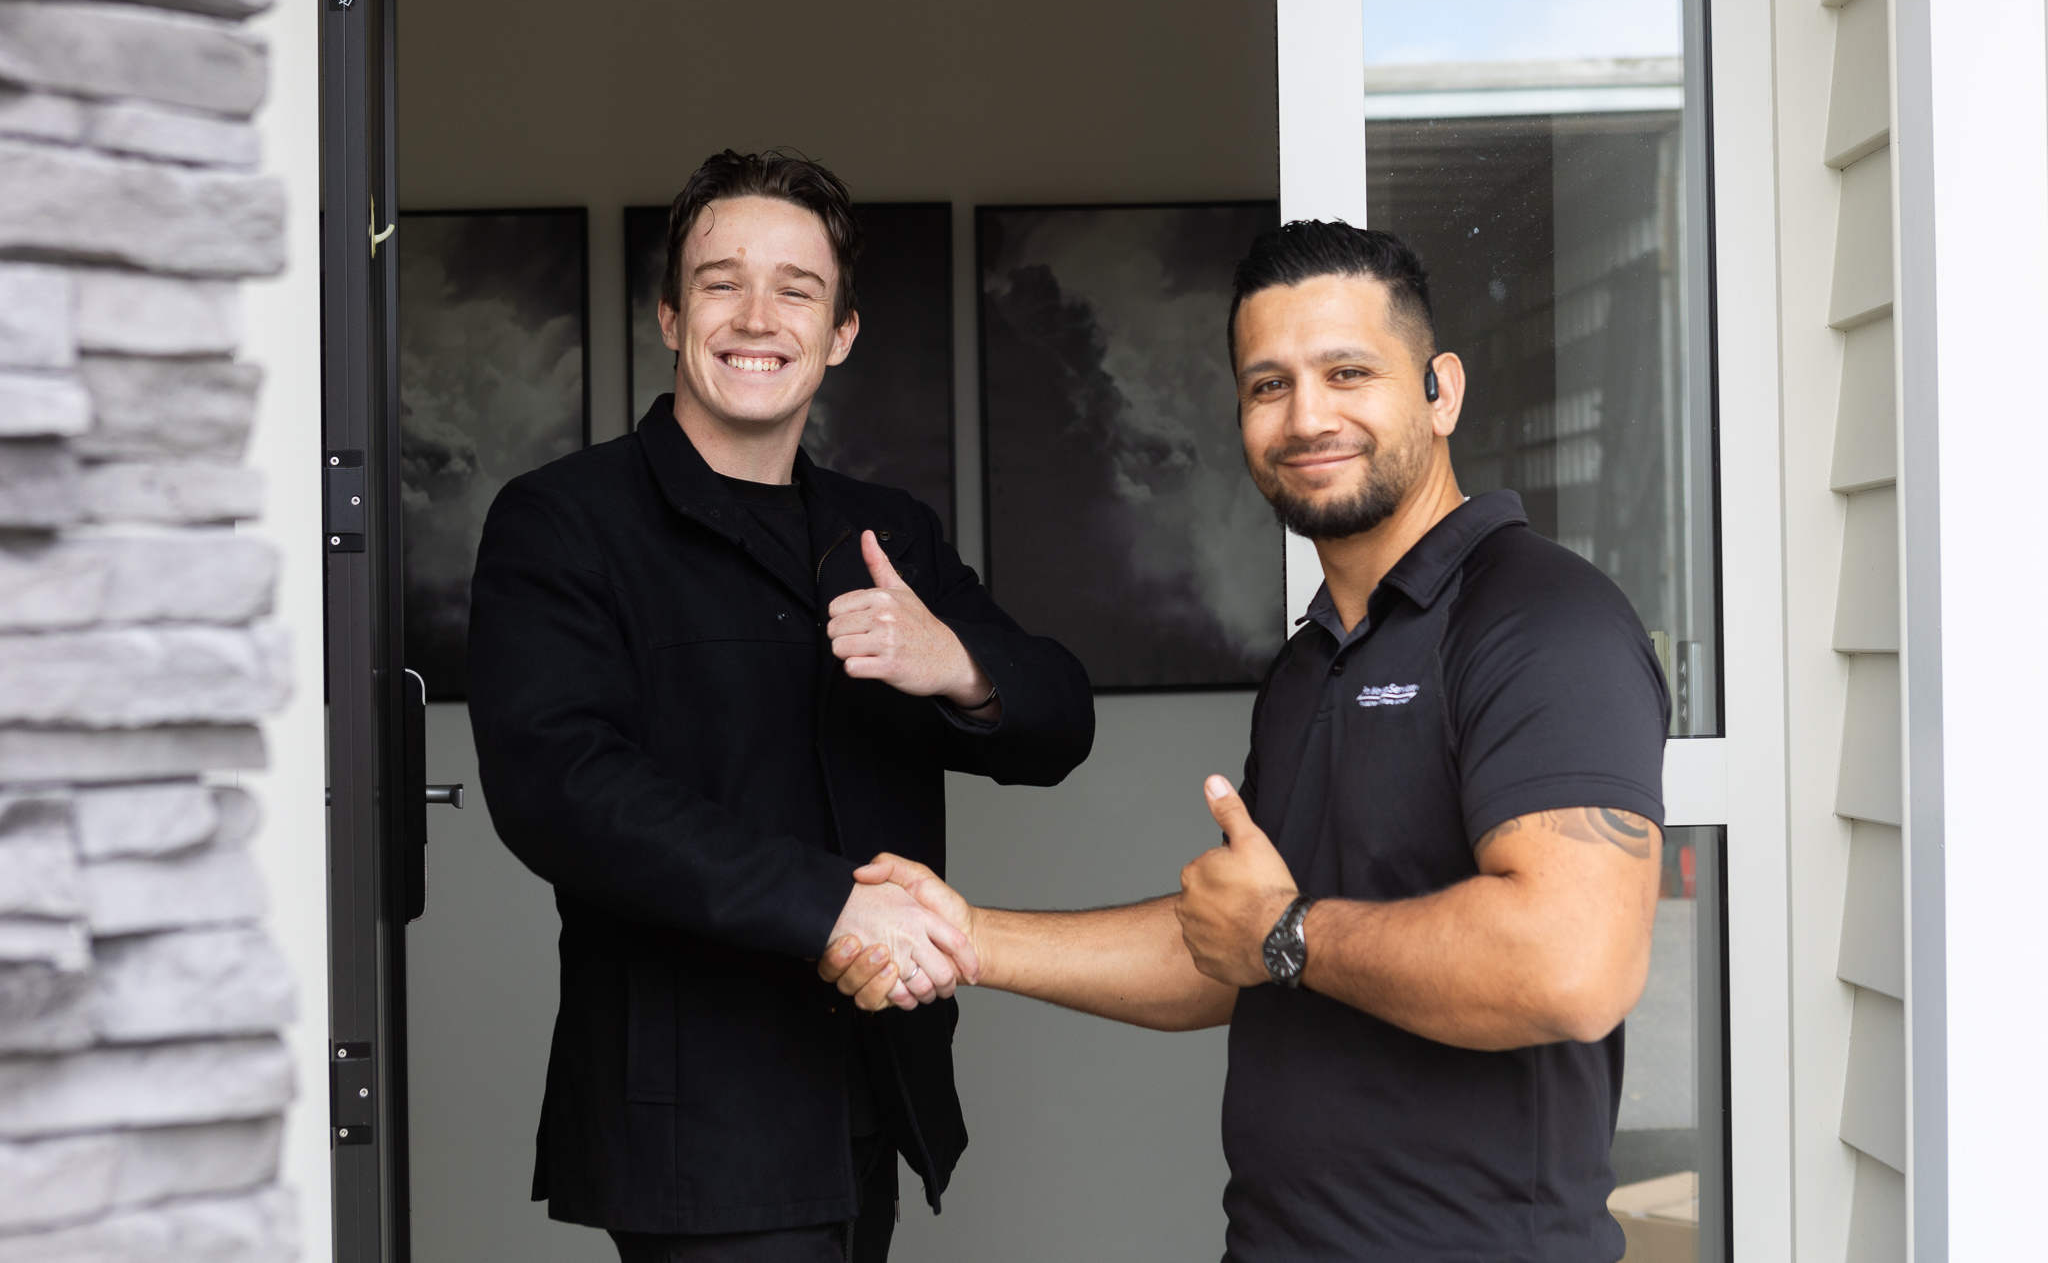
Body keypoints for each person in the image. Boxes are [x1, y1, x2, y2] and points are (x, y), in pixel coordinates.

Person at [821, 222, 1670, 1261]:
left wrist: (1286, 932)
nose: (1306, 417)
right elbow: (1238, 950)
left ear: (1440, 391)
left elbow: (1572, 964)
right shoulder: (1313, 662)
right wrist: (970, 937)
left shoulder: (1541, 621)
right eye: (1269, 385)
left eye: (1347, 373)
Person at [467, 149, 1092, 1263]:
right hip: (694, 1113)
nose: (757, 317)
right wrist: (830, 907)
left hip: (874, 1083)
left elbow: (1061, 724)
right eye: (721, 282)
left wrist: (953, 658)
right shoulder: (562, 521)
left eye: (796, 290)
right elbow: (561, 789)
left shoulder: (887, 532)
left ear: (840, 332)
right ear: (671, 316)